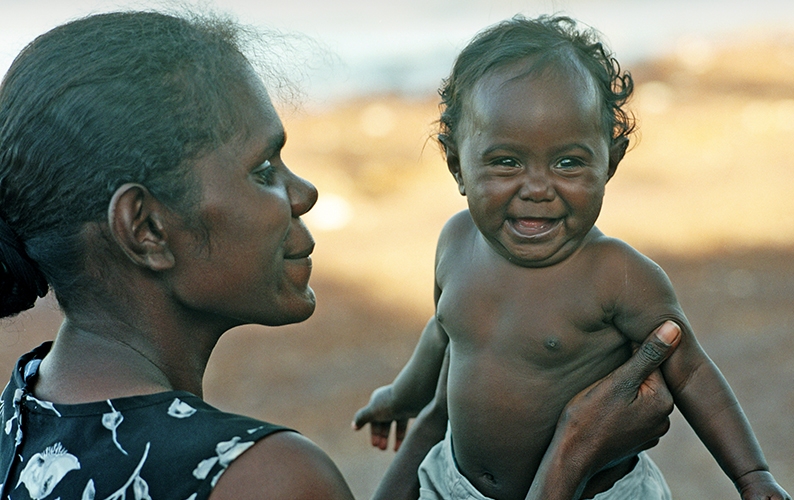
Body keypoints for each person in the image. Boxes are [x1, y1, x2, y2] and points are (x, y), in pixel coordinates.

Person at [0, 10, 680, 500]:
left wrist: (438, 425)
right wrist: (573, 453)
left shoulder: (22, 418)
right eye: (264, 168)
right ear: (145, 228)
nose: (305, 192)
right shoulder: (263, 479)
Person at [353, 15, 791, 500]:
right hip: (453, 482)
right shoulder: (456, 242)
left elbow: (690, 372)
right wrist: (397, 398)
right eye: (506, 162)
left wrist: (752, 476)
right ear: (457, 164)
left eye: (568, 162)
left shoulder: (618, 275)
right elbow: (443, 335)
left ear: (610, 163)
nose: (538, 188)